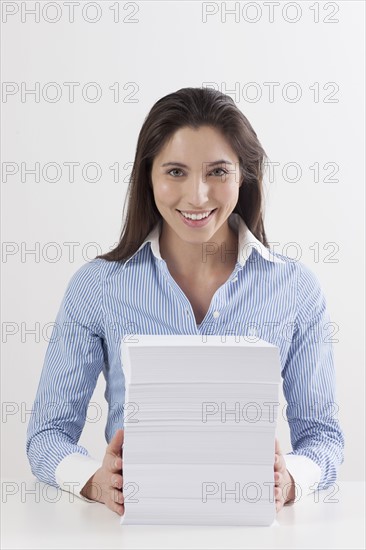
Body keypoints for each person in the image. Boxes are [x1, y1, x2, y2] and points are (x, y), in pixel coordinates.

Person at [26, 87, 345, 517]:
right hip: (132, 530)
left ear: (243, 176)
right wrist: (94, 481)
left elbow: (324, 438)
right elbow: (46, 434)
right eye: (175, 171)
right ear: (149, 177)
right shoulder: (97, 286)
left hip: (251, 531)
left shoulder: (296, 289)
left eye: (217, 171)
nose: (197, 196)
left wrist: (290, 480)